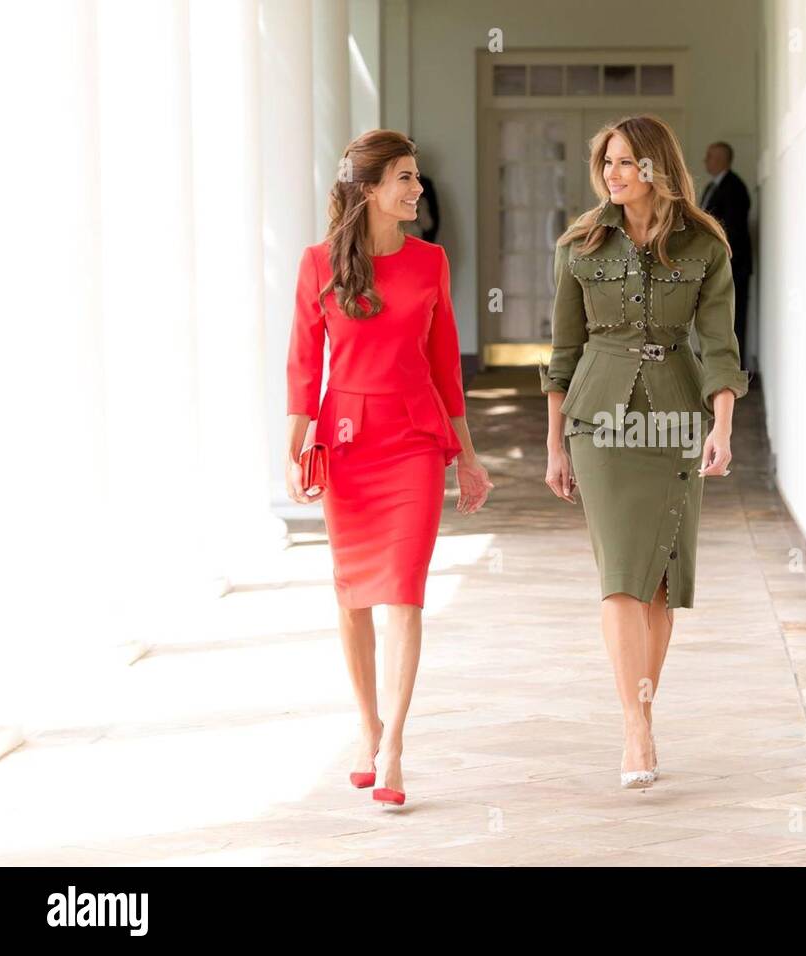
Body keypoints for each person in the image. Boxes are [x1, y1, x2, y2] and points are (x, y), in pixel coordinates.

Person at [540, 115, 750, 788]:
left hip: (678, 419)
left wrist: (721, 427)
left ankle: (643, 717)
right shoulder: (579, 245)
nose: (613, 173)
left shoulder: (705, 245)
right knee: (622, 577)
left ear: (657, 166)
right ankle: (634, 730)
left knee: (659, 582)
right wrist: (554, 445)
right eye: (607, 163)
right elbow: (562, 355)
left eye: (627, 162)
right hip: (598, 422)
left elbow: (720, 346)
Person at [285, 129, 493, 807]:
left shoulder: (430, 261)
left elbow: (443, 366)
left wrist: (467, 455)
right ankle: (366, 726)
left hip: (411, 443)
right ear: (370, 190)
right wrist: (293, 445)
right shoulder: (319, 264)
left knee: (403, 591)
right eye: (405, 178)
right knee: (352, 599)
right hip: (346, 444)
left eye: (416, 176)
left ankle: (396, 743)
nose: (417, 189)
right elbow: (302, 363)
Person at [700, 141, 753, 370]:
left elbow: (731, 230)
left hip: (733, 266)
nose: (705, 161)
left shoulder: (734, 188)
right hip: (720, 265)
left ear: (722, 159)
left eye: (710, 156)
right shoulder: (712, 187)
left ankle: (733, 373)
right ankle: (720, 369)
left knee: (734, 317)